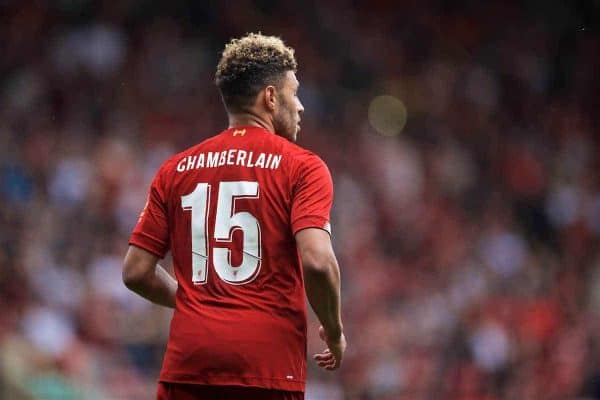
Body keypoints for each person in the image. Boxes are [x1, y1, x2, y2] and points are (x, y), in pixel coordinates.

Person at [122, 33, 346, 400]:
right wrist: (334, 333)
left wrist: (199, 304)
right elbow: (319, 262)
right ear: (270, 98)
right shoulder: (303, 167)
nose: (301, 106)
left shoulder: (175, 169)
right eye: (295, 93)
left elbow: (135, 271)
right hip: (266, 370)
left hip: (187, 367)